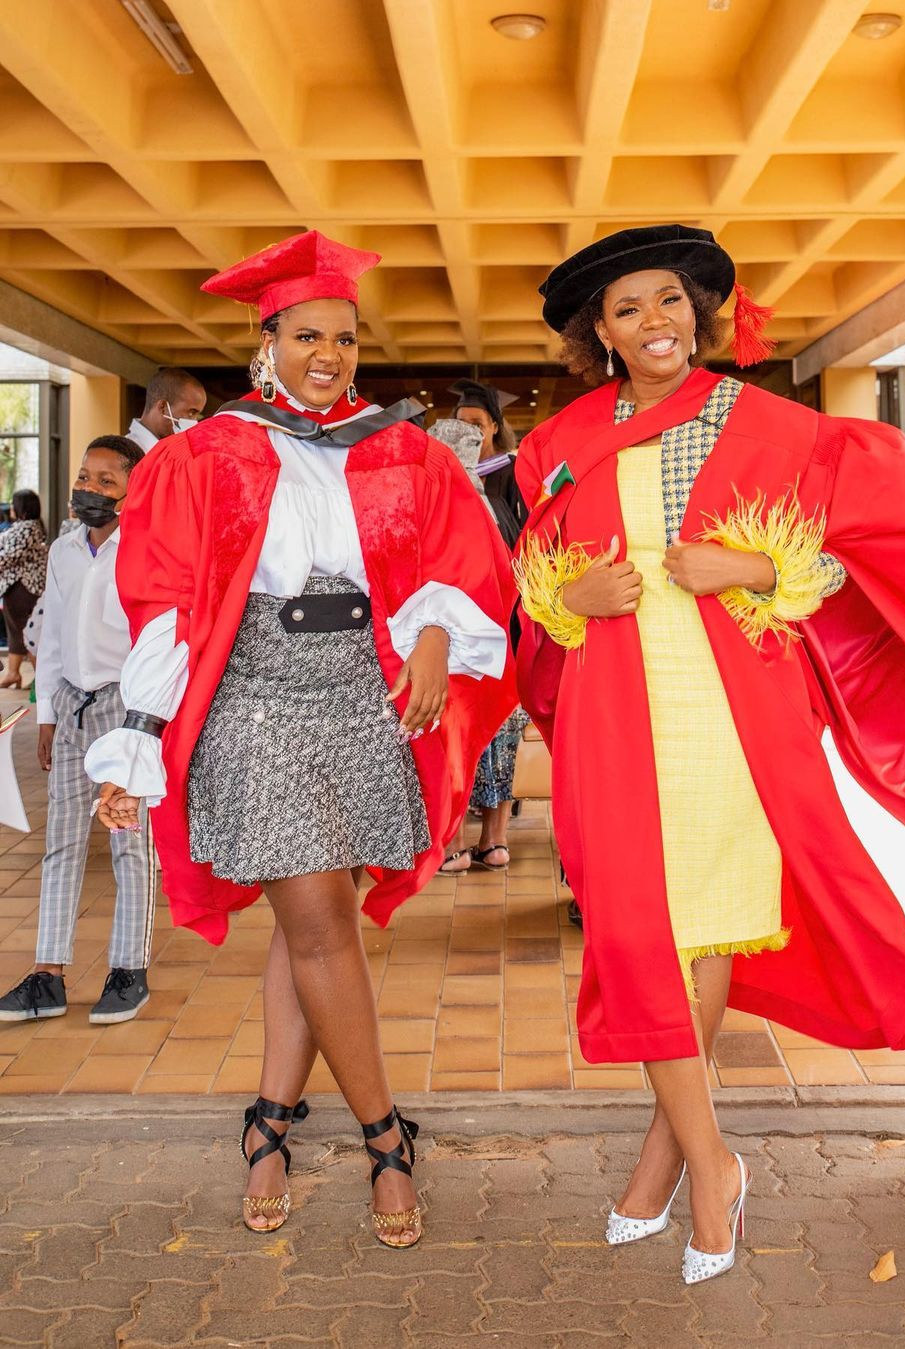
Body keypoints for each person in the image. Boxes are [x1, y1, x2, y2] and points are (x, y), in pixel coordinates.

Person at [513, 225, 905, 1286]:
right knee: (640, 924)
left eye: (668, 300)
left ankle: (683, 1168)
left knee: (699, 929)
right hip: (616, 705)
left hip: (732, 708)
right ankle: (707, 1155)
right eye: (627, 310)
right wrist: (568, 597)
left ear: (696, 308)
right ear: (596, 333)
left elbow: (866, 552)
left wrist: (743, 560)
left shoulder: (774, 425)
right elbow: (533, 581)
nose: (655, 323)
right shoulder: (555, 445)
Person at [84, 231, 516, 1246]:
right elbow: (166, 603)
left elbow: (463, 558)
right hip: (258, 696)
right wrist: (138, 739)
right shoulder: (207, 451)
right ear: (265, 339)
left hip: (369, 692)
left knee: (311, 917)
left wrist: (437, 639)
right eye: (308, 334)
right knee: (321, 917)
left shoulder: (401, 446)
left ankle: (269, 1124)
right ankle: (383, 1137)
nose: (330, 354)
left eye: (346, 338)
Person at [0, 437, 156, 1027]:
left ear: (132, 490)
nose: (88, 489)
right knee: (61, 840)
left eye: (105, 481)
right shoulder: (64, 550)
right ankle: (48, 973)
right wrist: (45, 713)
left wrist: (146, 728)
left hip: (126, 704)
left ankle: (128, 970)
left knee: (128, 839)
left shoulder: (144, 547)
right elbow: (57, 634)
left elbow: (155, 639)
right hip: (70, 704)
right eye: (84, 477)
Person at [433, 394, 529, 875]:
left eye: (475, 426)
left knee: (496, 737)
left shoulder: (506, 481)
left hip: (496, 636)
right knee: (455, 744)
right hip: (449, 643)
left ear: (493, 429)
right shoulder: (441, 486)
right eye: (459, 427)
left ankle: (493, 841)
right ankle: (455, 842)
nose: (468, 436)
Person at [450, 380, 528, 548]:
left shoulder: (513, 468)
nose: (468, 432)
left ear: (494, 427)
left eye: (477, 424)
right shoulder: (449, 471)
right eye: (461, 423)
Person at [0, 489, 48, 688]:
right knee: (17, 631)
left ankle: (41, 679)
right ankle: (13, 673)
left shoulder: (27, 528)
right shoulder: (28, 527)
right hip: (18, 588)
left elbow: (9, 556)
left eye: (14, 503)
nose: (11, 507)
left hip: (23, 588)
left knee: (29, 633)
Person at [125, 368, 207, 453]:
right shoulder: (127, 454)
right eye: (191, 413)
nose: (194, 422)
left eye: (197, 415)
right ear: (163, 407)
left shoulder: (177, 451)